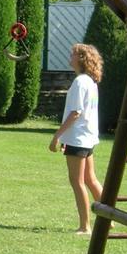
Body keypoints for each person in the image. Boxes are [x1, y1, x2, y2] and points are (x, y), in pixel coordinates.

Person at [49, 43, 104, 234]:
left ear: (81, 59)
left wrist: (57, 136)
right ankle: (110, 218)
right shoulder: (90, 81)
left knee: (77, 181)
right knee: (90, 179)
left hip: (78, 138)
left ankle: (85, 226)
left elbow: (75, 113)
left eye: (73, 54)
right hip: (87, 137)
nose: (70, 56)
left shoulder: (81, 82)